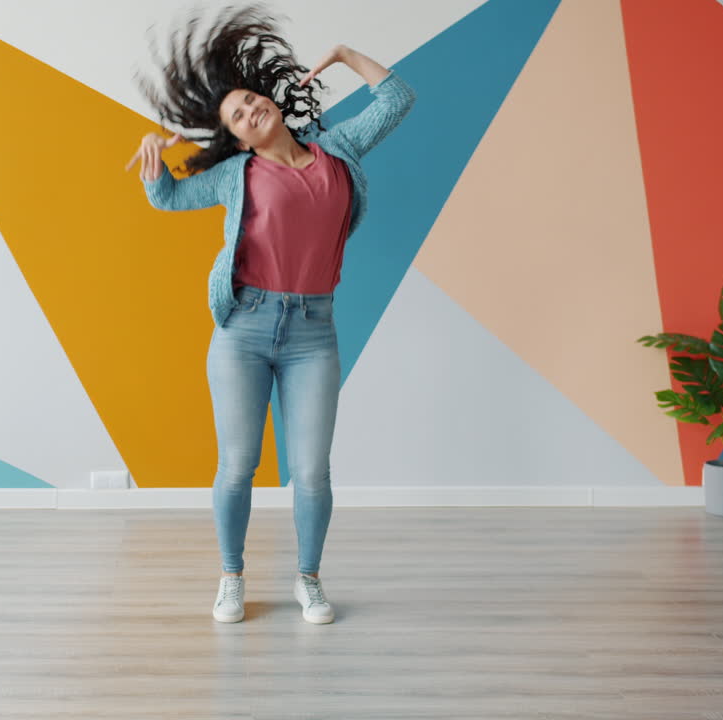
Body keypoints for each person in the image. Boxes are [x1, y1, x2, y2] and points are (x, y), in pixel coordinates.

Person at [125, 4, 415, 624]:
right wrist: (154, 156)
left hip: (314, 331)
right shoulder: (237, 174)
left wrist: (341, 52)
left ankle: (308, 578)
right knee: (238, 467)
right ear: (237, 136)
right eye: (236, 117)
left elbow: (396, 98)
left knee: (311, 471)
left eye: (251, 101)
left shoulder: (336, 150)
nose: (250, 111)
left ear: (271, 103)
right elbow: (170, 197)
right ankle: (231, 576)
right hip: (244, 330)